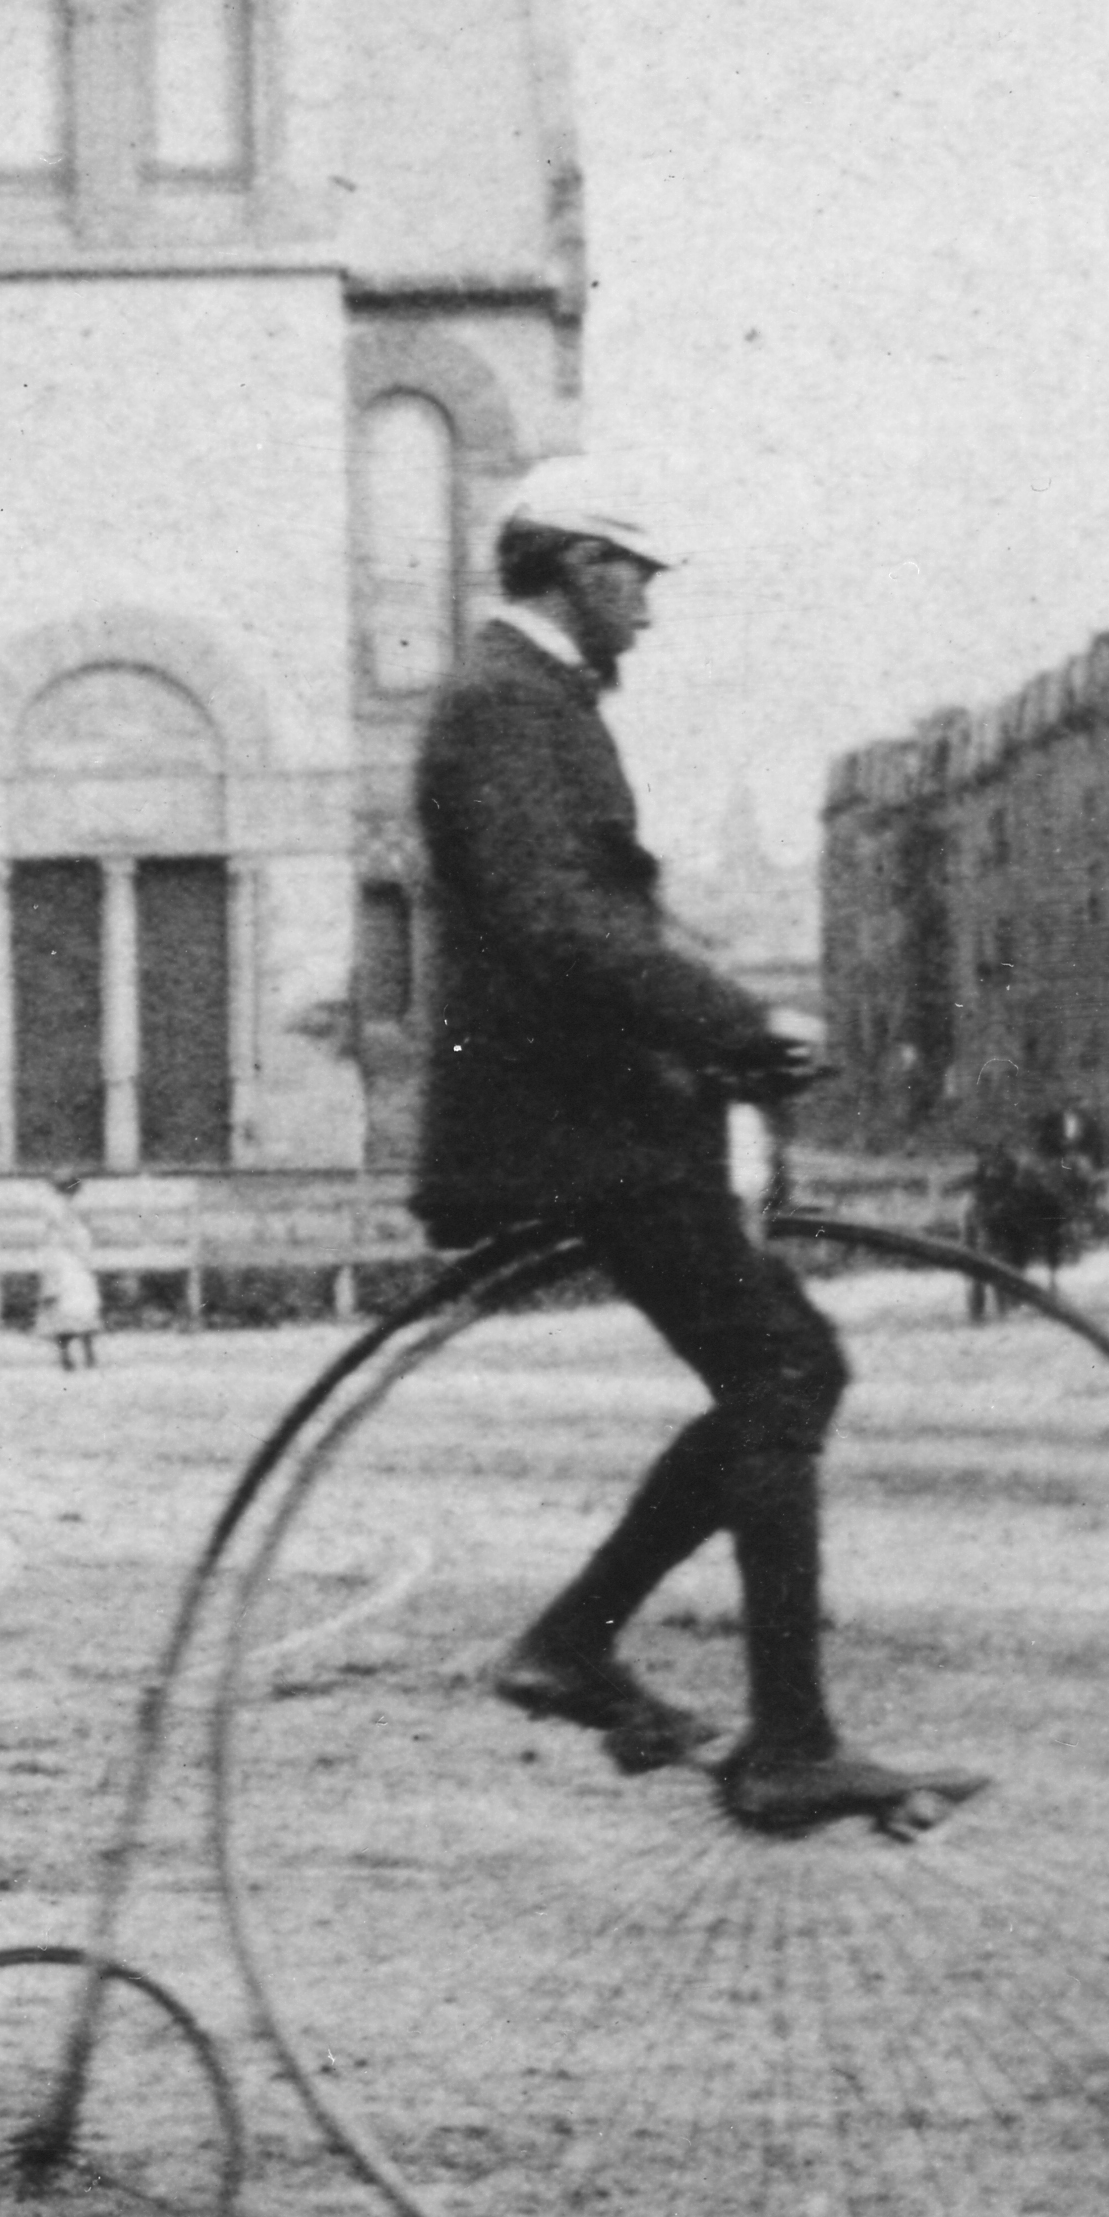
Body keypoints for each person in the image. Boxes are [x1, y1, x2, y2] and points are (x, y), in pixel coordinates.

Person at [413, 474, 975, 1836]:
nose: (650, 609)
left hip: (600, 1112)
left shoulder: (531, 701)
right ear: (580, 564)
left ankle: (585, 1641)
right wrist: (734, 1023)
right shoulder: (504, 705)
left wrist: (720, 1048)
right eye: (639, 576)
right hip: (572, 1124)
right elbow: (557, 925)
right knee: (784, 1369)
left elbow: (584, 930)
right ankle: (777, 1734)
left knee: (783, 1368)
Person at [35, 1180, 104, 1375]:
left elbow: (84, 1236)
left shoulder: (77, 1210)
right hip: (64, 1263)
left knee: (82, 1304)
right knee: (66, 1304)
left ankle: (85, 1352)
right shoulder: (55, 1210)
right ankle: (69, 1354)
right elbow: (57, 1237)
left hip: (75, 1263)